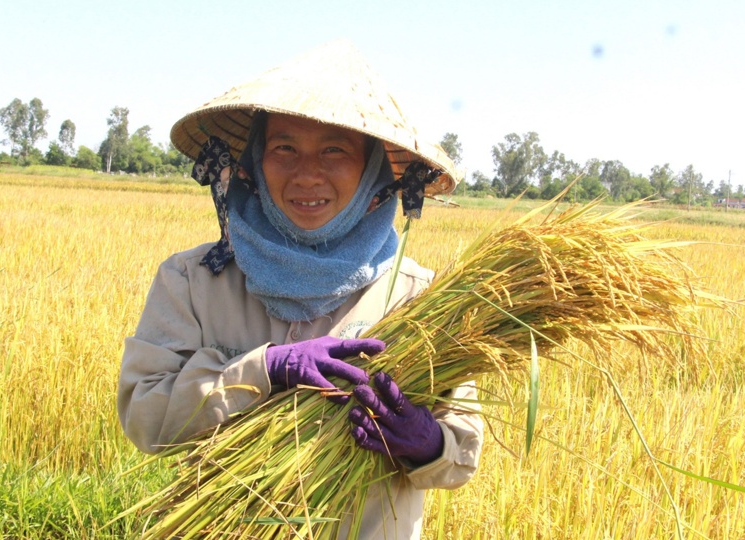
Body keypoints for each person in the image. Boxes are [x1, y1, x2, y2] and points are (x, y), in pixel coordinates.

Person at [117, 40, 483, 539]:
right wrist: (265, 369)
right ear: (254, 162)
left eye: (335, 149)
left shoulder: (418, 298)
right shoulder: (194, 280)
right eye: (284, 148)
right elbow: (144, 416)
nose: (306, 173)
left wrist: (423, 443)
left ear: (373, 169)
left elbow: (461, 454)